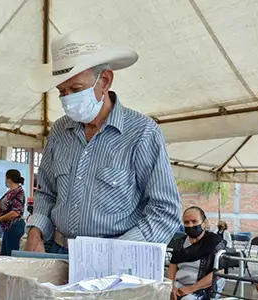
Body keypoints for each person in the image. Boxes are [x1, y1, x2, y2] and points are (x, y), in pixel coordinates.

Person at [25, 29, 182, 254]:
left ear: (105, 80)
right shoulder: (60, 130)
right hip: (58, 250)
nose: (68, 99)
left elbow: (165, 210)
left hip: (115, 260)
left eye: (76, 89)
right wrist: (36, 230)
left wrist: (120, 251)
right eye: (62, 92)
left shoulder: (142, 132)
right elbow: (47, 192)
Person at [168, 207, 225, 300]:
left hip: (204, 287)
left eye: (194, 221)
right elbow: (173, 266)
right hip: (179, 283)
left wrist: (191, 289)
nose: (190, 225)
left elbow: (219, 272)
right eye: (186, 222)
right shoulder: (179, 243)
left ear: (204, 223)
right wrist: (171, 288)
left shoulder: (214, 242)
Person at [0, 169, 26, 256]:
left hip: (14, 226)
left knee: (10, 255)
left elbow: (15, 212)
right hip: (8, 228)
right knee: (4, 255)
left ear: (9, 179)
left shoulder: (18, 192)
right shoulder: (11, 192)